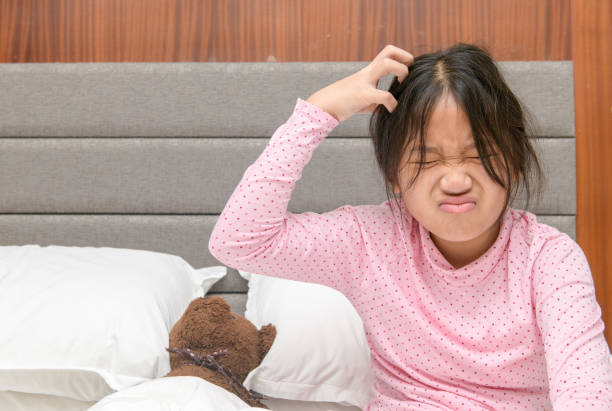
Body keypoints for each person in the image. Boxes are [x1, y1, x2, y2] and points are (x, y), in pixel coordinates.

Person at [208, 43, 612, 410]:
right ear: (394, 174)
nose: (455, 180)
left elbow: (587, 396)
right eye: (428, 159)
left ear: (514, 162)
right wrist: (320, 109)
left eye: (479, 153)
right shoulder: (370, 241)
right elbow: (239, 241)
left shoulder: (550, 260)